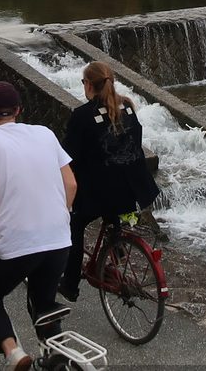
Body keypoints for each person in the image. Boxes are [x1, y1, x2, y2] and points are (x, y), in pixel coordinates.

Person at [0, 81, 76, 371]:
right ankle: (57, 361)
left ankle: (13, 354)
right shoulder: (44, 134)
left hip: (19, 244)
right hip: (59, 239)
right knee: (43, 305)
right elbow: (71, 183)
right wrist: (59, 217)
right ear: (18, 111)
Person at [59, 61, 159, 302]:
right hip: (133, 190)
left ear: (90, 85)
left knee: (75, 224)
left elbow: (67, 156)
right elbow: (133, 145)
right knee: (110, 190)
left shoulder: (82, 116)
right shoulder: (127, 106)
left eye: (84, 82)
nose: (84, 86)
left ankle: (70, 284)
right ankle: (116, 243)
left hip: (101, 194)